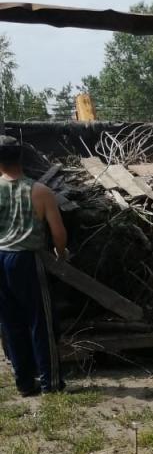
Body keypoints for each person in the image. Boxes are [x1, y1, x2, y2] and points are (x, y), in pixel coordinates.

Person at [0, 135, 67, 396]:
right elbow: (58, 233)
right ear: (21, 157)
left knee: (10, 323)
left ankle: (25, 384)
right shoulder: (40, 191)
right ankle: (50, 382)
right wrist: (61, 253)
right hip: (25, 259)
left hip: (0, 257)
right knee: (41, 321)